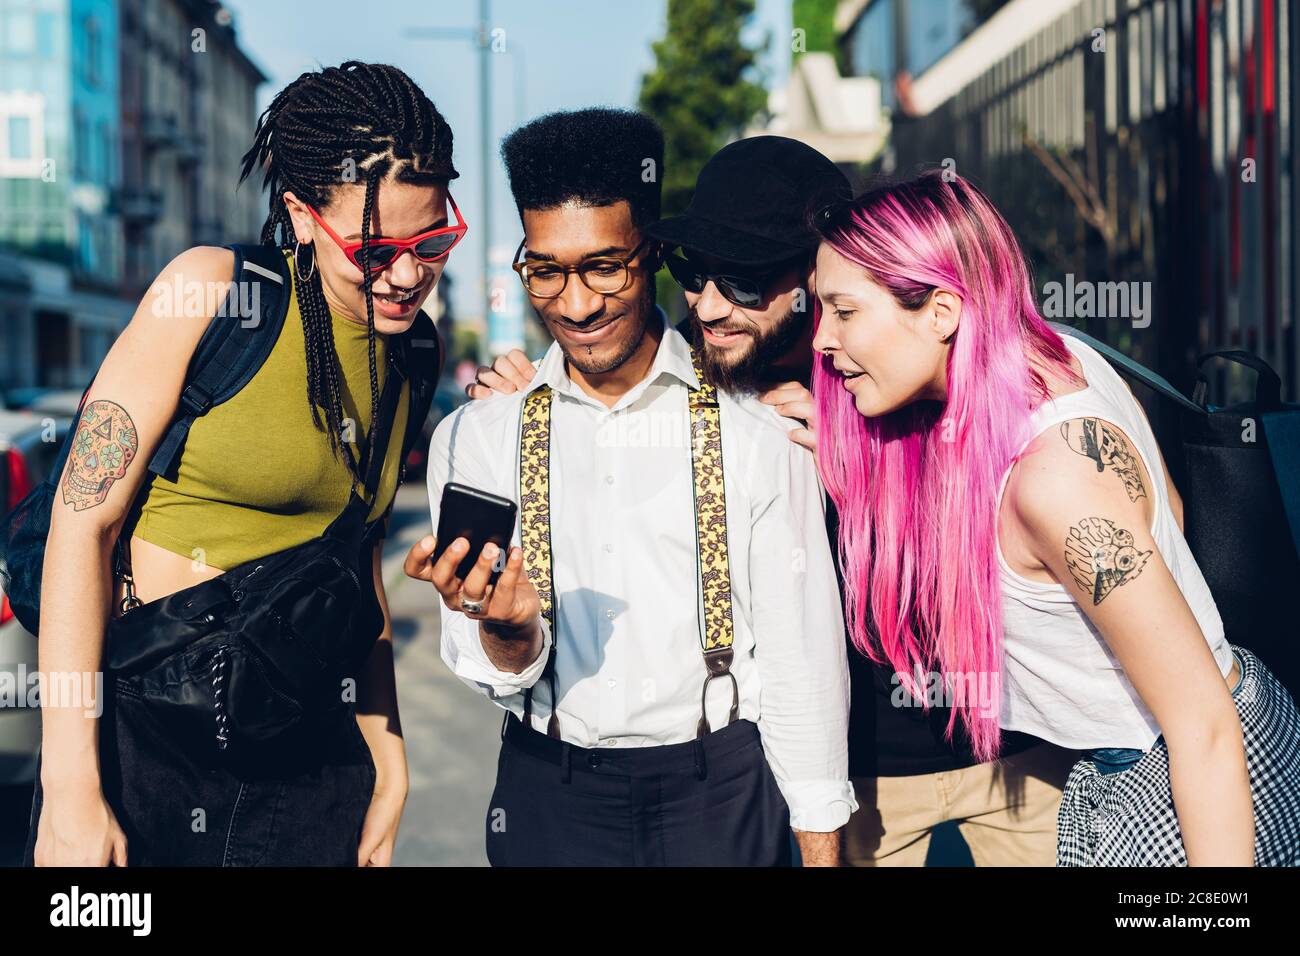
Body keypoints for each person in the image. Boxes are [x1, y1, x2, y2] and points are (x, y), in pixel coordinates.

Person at [473, 136, 1076, 866]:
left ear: (817, 273)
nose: (712, 305)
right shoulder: (703, 393)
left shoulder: (907, 369)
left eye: (748, 282)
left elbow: (1039, 521)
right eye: (693, 273)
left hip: (1019, 749)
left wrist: (872, 461)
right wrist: (532, 397)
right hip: (866, 784)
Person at [25, 61, 462, 866]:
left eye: (432, 240)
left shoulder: (413, 354)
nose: (407, 275)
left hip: (308, 761)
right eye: (375, 249)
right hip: (143, 743)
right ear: (300, 214)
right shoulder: (210, 295)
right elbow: (78, 531)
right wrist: (70, 789)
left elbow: (354, 562)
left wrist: (388, 760)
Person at [809, 169, 1300, 866]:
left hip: (1194, 788)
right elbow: (1171, 515)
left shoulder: (1054, 481)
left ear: (942, 313)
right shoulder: (1061, 355)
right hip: (1168, 754)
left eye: (844, 311)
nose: (822, 341)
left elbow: (1202, 725)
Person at [404, 109, 854, 866]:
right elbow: (487, 666)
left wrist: (819, 850)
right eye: (546, 270)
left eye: (604, 266)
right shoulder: (478, 437)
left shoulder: (757, 428)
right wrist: (508, 628)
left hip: (725, 792)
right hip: (551, 793)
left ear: (652, 253)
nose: (576, 305)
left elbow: (800, 664)